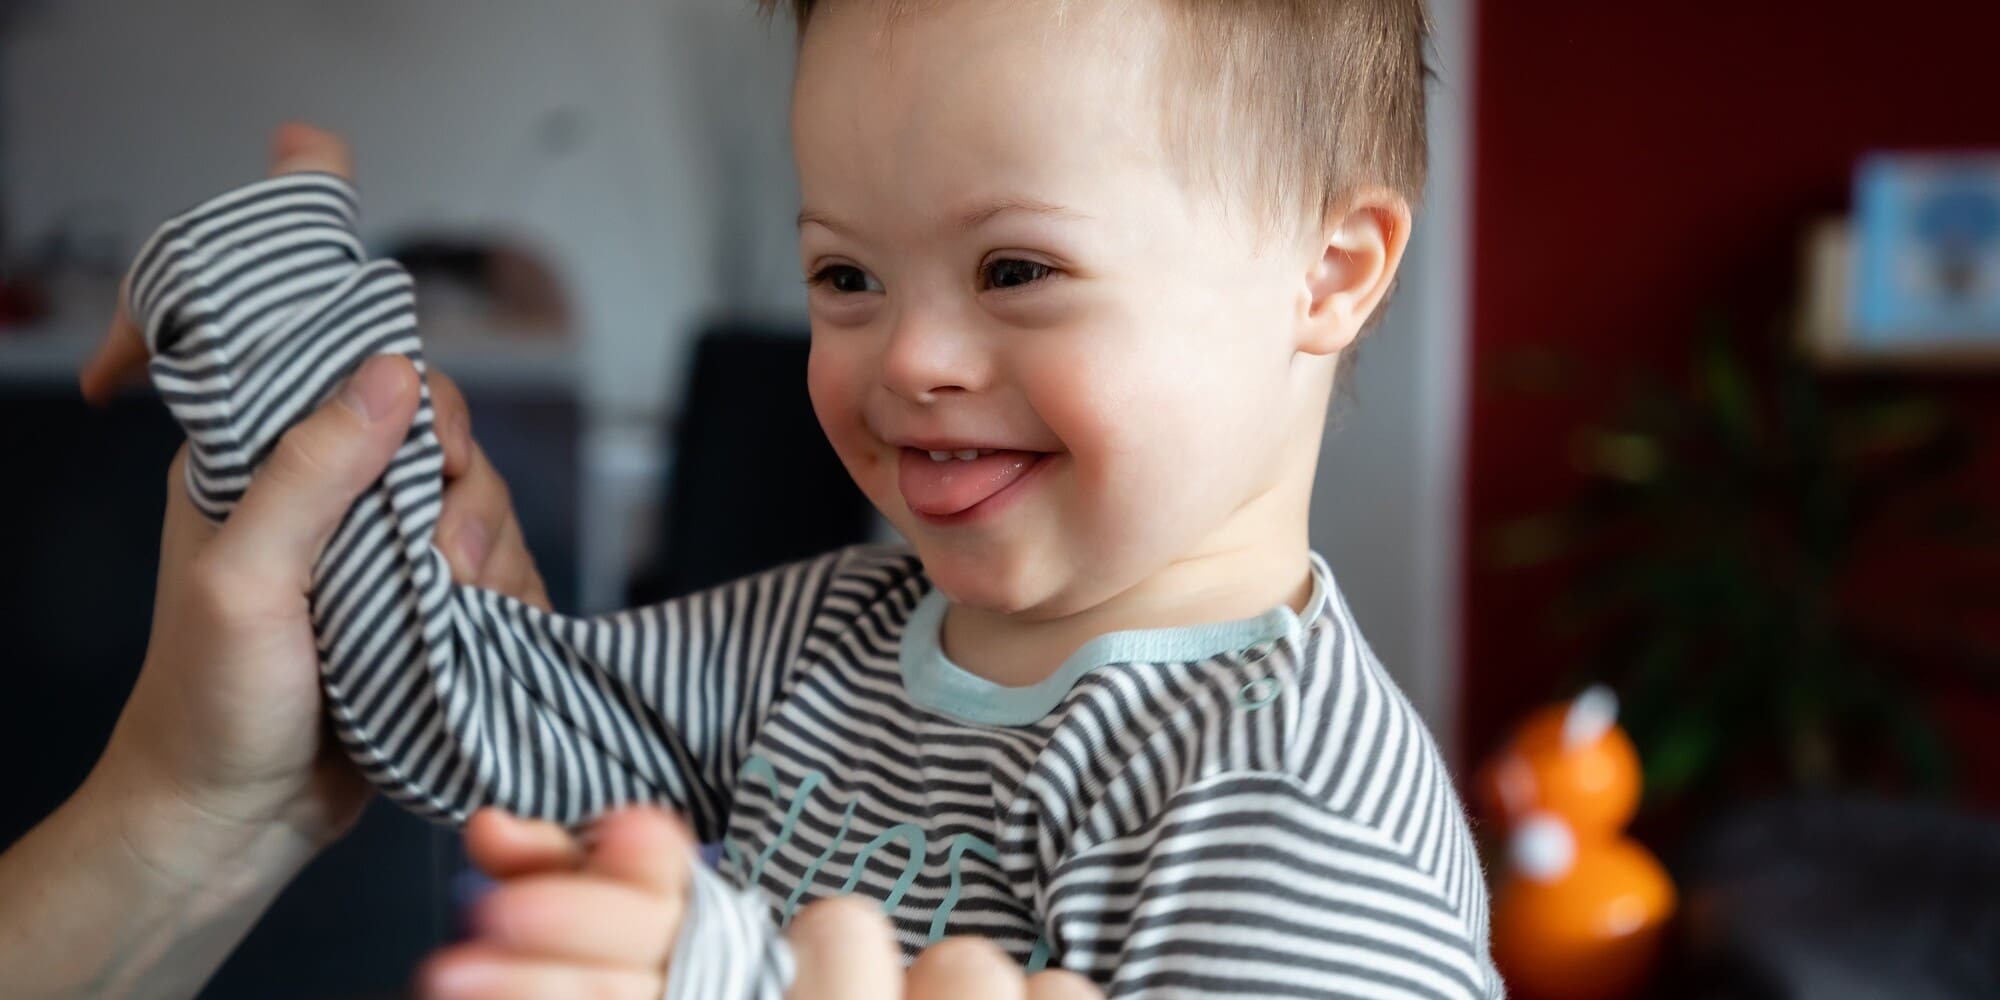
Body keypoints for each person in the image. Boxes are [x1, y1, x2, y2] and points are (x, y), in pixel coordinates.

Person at [88, 0, 1501, 994]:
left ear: (1329, 271)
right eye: (846, 278)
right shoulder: (824, 635)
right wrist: (286, 342)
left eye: (1016, 270)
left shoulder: (1294, 802)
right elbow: (445, 693)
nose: (913, 360)